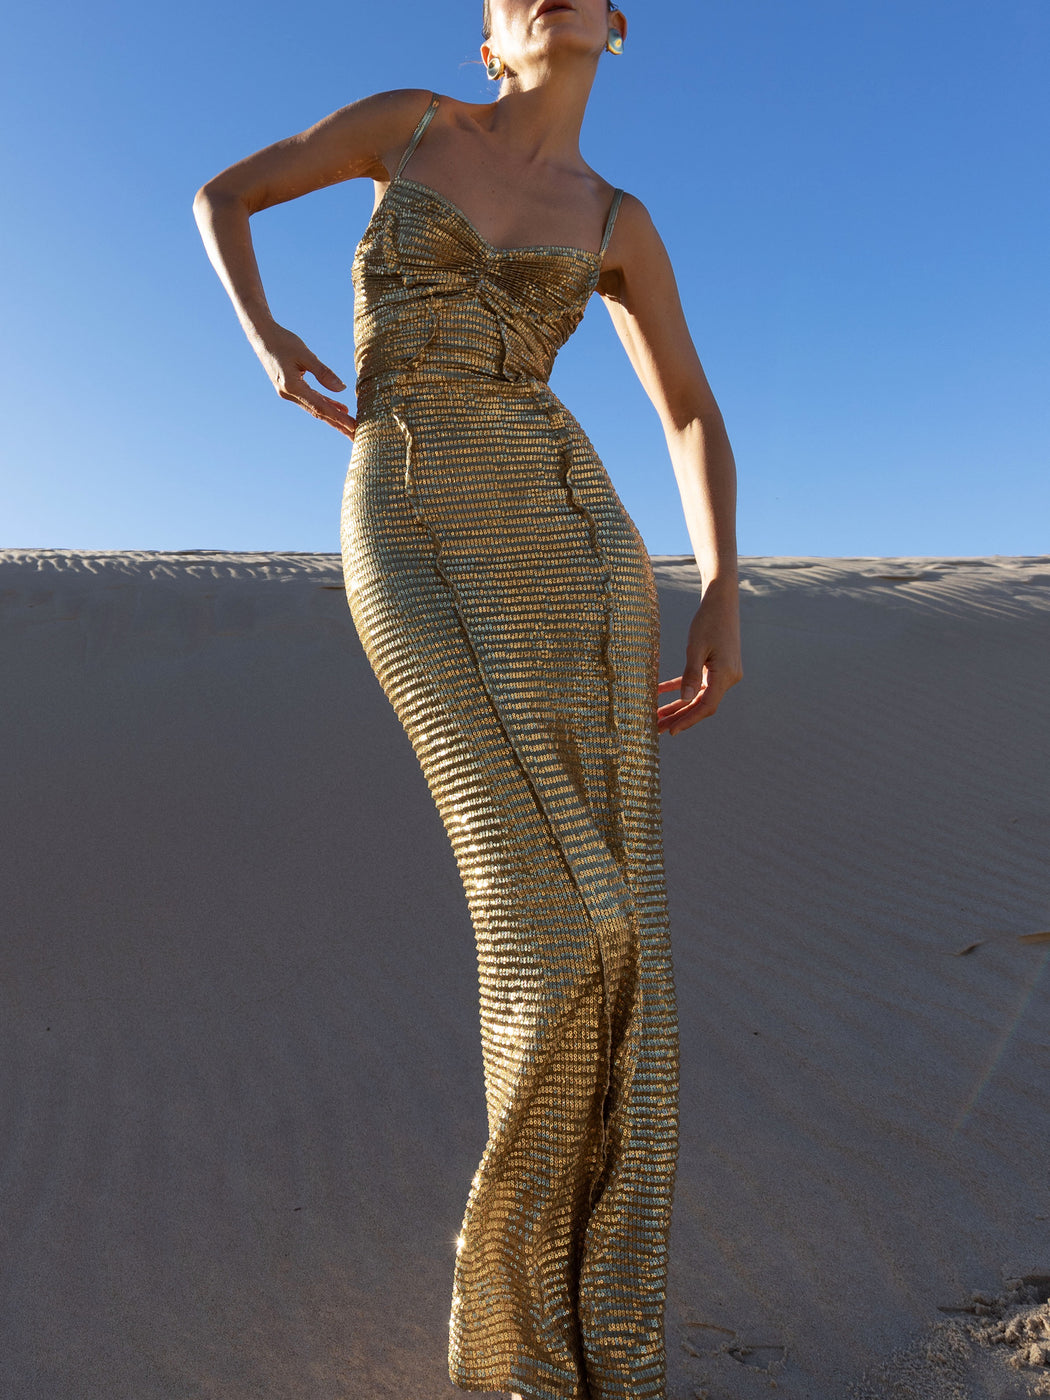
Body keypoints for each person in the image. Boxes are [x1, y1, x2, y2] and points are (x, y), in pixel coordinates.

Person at [193, 1, 742, 1395]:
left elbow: (686, 408)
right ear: (491, 37)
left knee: (622, 939)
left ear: (616, 27)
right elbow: (224, 195)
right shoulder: (412, 125)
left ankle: (590, 1338)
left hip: (578, 547)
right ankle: (512, 1333)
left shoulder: (617, 220)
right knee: (558, 923)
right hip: (409, 514)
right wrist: (268, 339)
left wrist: (723, 589)